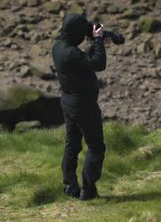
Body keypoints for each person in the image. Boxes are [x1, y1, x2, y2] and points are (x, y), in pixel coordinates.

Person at [52, 13, 110, 200]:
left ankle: (70, 186)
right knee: (96, 147)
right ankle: (88, 190)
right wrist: (99, 40)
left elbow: (84, 62)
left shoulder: (59, 47)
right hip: (83, 105)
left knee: (72, 144)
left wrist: (95, 43)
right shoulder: (71, 52)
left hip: (68, 101)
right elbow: (98, 64)